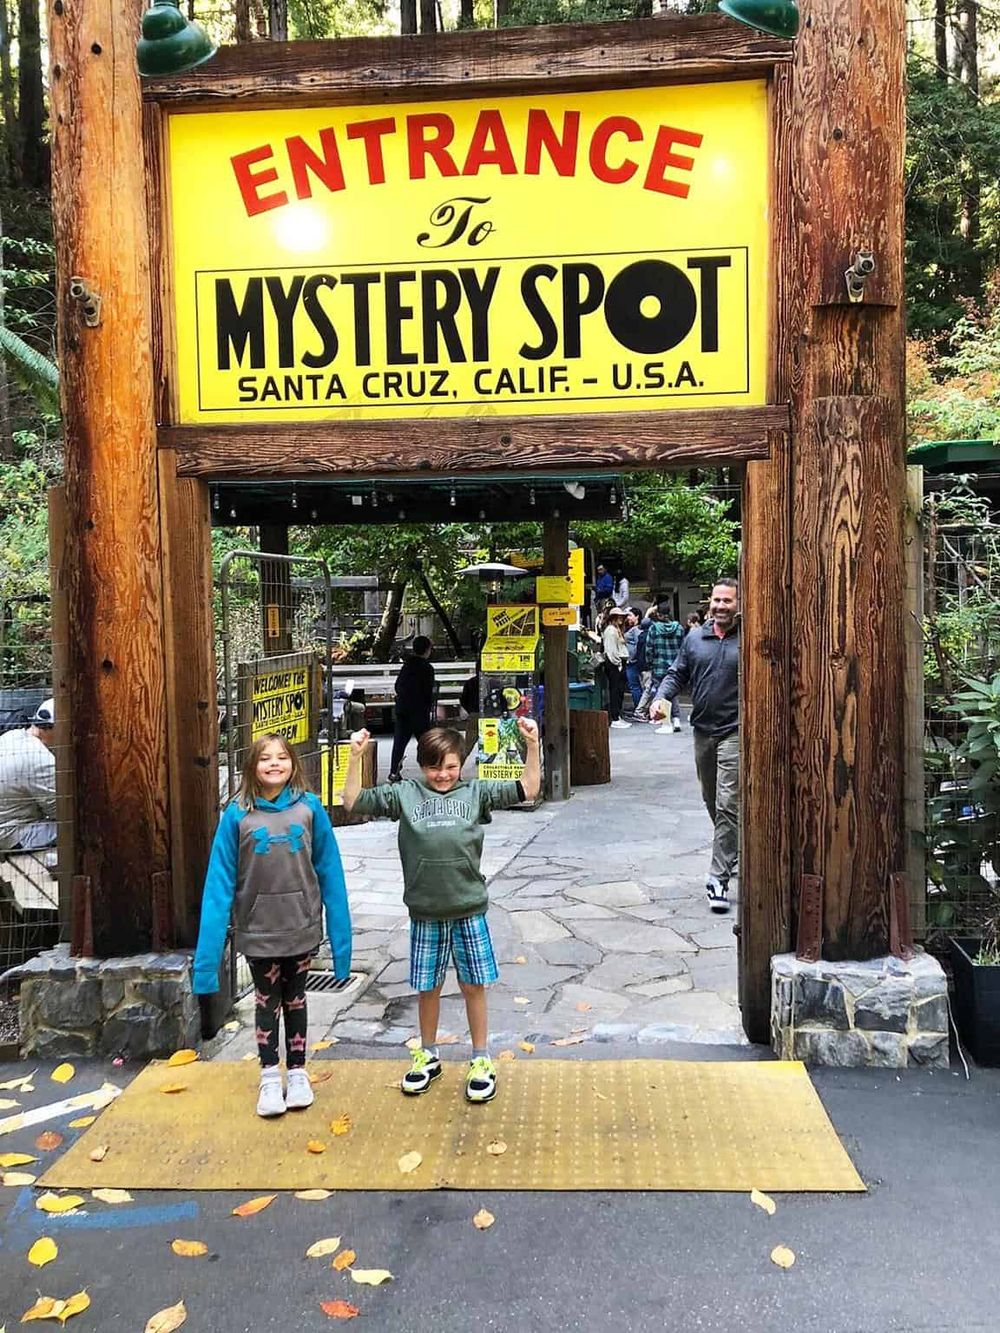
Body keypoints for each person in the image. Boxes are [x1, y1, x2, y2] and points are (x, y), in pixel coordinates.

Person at [343, 720, 540, 1105]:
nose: (443, 774)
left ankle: (481, 1058)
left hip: (468, 909)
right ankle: (428, 1053)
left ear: (462, 764)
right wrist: (353, 759)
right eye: (435, 767)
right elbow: (353, 801)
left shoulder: (476, 792)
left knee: (473, 986)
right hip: (425, 912)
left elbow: (528, 788)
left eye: (451, 766)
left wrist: (532, 745)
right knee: (427, 986)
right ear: (421, 766)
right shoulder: (405, 794)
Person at [192, 734, 352, 1118]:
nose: (275, 763)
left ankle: (297, 1072)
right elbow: (218, 885)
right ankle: (268, 1074)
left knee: (296, 999)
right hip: (259, 932)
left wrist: (343, 947)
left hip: (301, 927)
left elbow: (331, 874)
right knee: (267, 1003)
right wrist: (205, 966)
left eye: (283, 757)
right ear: (252, 767)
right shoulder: (237, 815)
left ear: (294, 763)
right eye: (266, 758)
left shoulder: (310, 809)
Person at [650, 578, 740, 913]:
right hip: (702, 730)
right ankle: (734, 849)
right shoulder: (694, 638)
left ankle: (718, 878)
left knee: (729, 802)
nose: (720, 606)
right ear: (709, 603)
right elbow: (677, 674)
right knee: (712, 800)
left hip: (736, 730)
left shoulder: (747, 638)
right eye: (717, 600)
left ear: (738, 604)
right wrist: (661, 697)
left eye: (727, 601)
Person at [0, 698, 57, 852]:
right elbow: (59, 810)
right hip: (10, 834)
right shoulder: (40, 757)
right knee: (79, 828)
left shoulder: (11, 736)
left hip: (7, 822)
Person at [634, 601, 685, 730]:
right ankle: (676, 719)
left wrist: (650, 663)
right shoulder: (679, 628)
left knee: (662, 694)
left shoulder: (653, 629)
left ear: (658, 614)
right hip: (675, 665)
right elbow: (683, 648)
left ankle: (666, 723)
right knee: (672, 692)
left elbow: (649, 649)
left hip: (658, 666)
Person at [390, 635, 435, 781]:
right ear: (427, 650)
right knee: (426, 744)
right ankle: (432, 770)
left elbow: (398, 686)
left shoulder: (407, 665)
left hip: (403, 710)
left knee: (399, 743)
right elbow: (428, 692)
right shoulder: (427, 668)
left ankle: (394, 771)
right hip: (419, 712)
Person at [602, 607, 630, 728]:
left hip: (618, 663)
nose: (621, 619)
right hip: (615, 664)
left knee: (619, 691)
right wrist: (618, 664)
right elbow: (611, 651)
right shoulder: (611, 631)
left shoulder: (616, 630)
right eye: (618, 616)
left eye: (622, 617)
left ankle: (617, 715)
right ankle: (615, 717)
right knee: (615, 690)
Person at [623, 609, 644, 711]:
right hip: (632, 661)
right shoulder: (632, 628)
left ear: (637, 617)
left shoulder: (636, 630)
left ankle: (638, 708)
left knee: (634, 686)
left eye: (630, 615)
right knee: (635, 685)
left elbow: (638, 644)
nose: (628, 618)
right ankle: (639, 706)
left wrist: (632, 658)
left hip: (632, 662)